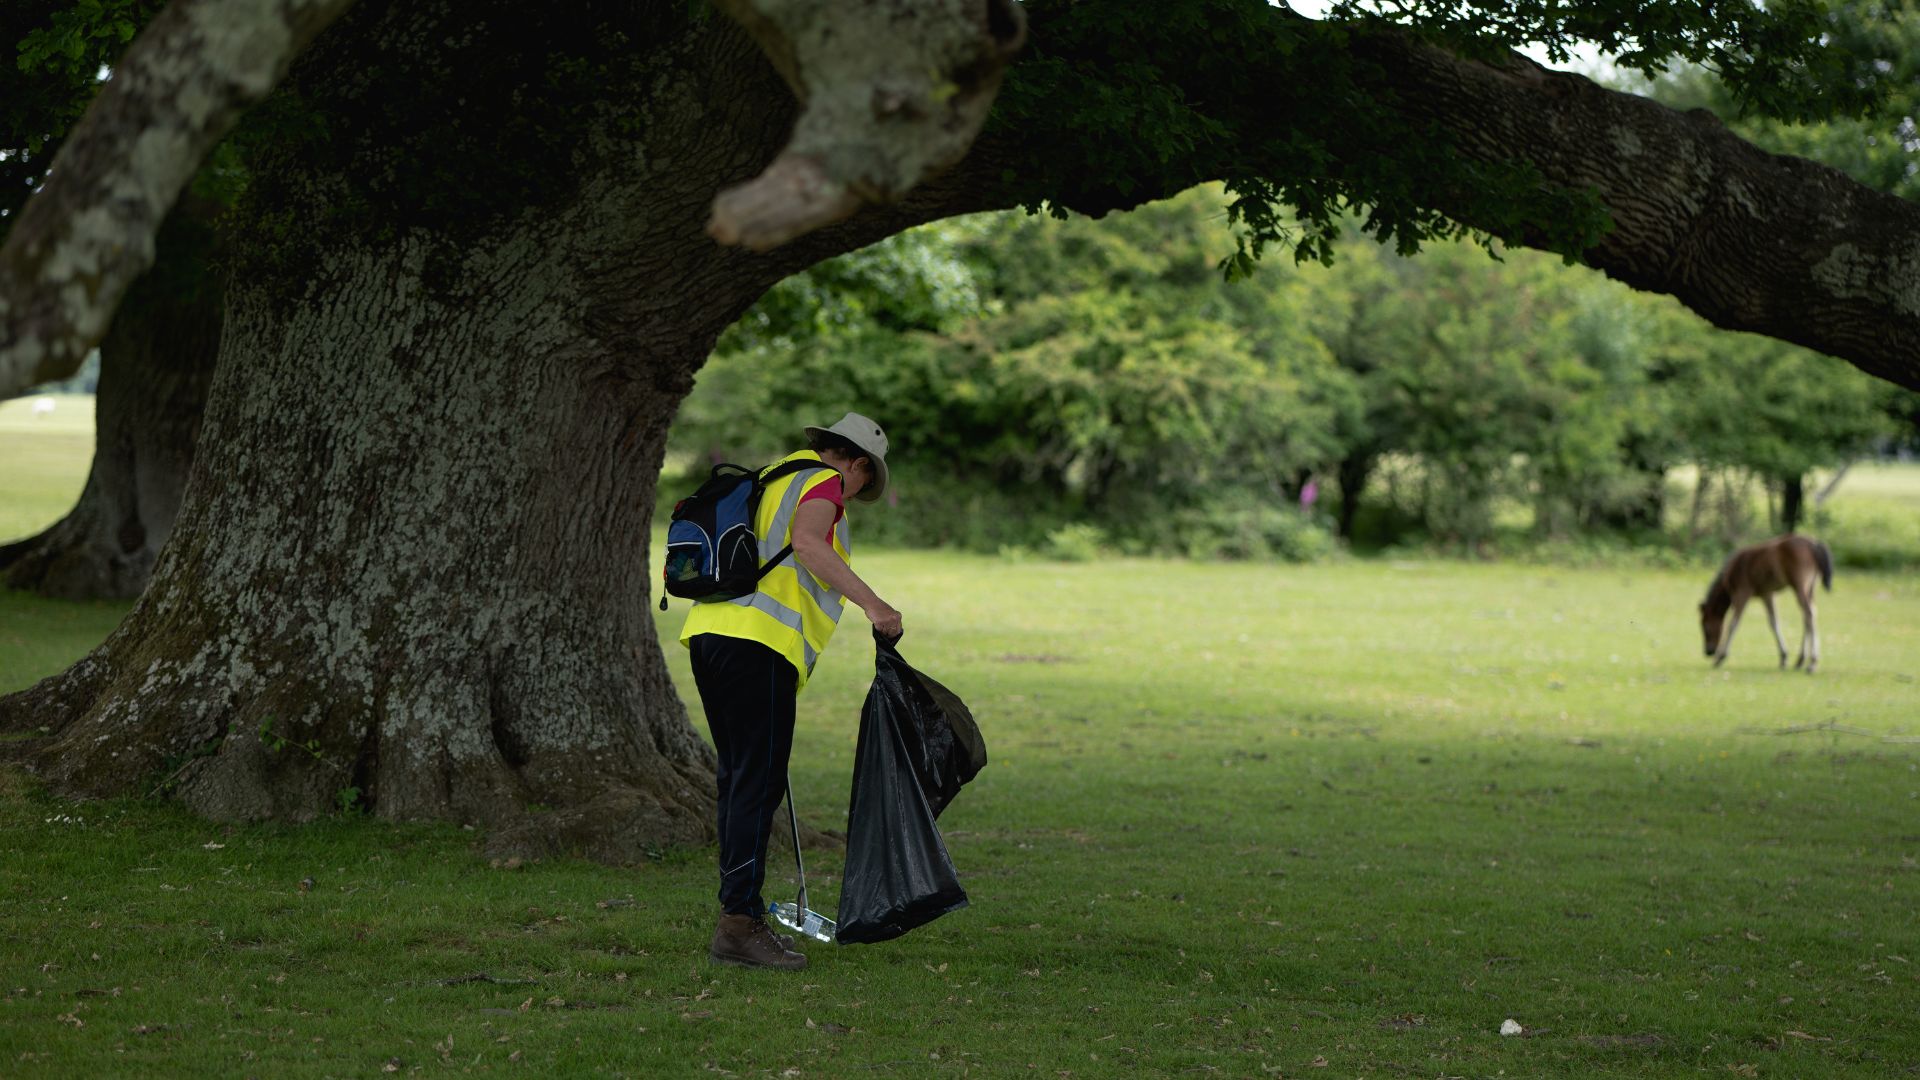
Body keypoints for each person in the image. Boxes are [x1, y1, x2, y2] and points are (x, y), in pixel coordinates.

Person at [678, 411, 903, 970]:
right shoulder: (822, 481)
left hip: (710, 636)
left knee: (739, 778)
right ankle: (738, 924)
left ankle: (737, 914)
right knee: (755, 782)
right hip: (759, 645)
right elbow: (808, 544)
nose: (853, 493)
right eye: (862, 481)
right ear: (853, 462)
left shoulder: (773, 475)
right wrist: (874, 604)